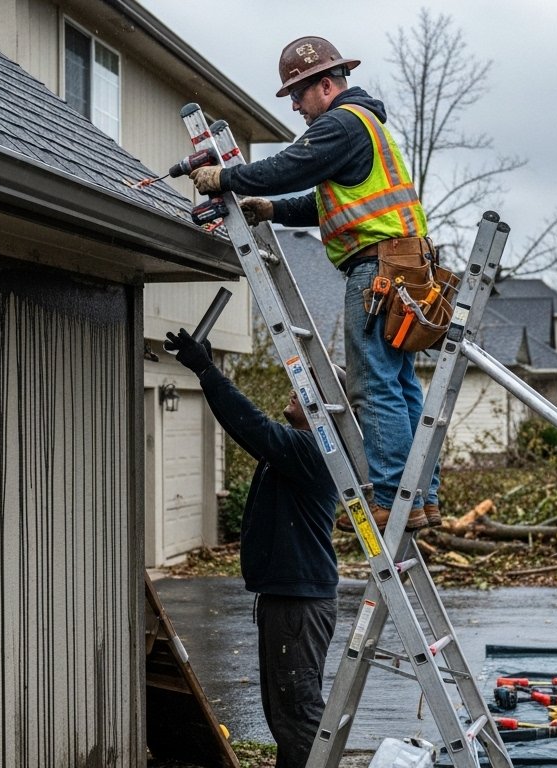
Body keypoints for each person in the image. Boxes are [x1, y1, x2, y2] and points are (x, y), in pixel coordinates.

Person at [189, 35, 440, 532]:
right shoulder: (365, 126)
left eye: (299, 95)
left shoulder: (340, 123)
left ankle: (392, 498)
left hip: (378, 271)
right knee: (403, 384)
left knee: (373, 386)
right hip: (406, 264)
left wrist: (226, 179)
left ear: (326, 84)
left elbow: (288, 166)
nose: (298, 108)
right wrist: (275, 210)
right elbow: (326, 202)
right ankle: (421, 498)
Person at [164, 327, 338, 768]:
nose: (295, 393)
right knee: (287, 715)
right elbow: (250, 432)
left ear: (326, 409)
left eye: (306, 390)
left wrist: (206, 369)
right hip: (290, 600)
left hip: (298, 605)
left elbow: (253, 426)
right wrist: (208, 374)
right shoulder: (296, 449)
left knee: (297, 715)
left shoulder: (314, 451)